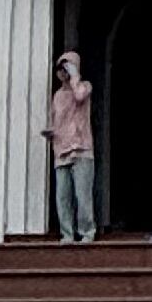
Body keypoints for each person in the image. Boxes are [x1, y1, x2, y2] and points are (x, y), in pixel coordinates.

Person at [46, 49, 97, 243]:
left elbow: (79, 97)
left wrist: (75, 76)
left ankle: (87, 231)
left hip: (81, 149)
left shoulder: (84, 86)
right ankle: (67, 233)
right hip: (61, 150)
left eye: (67, 67)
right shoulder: (58, 95)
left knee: (82, 195)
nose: (63, 72)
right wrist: (51, 132)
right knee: (62, 197)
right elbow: (57, 120)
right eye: (61, 68)